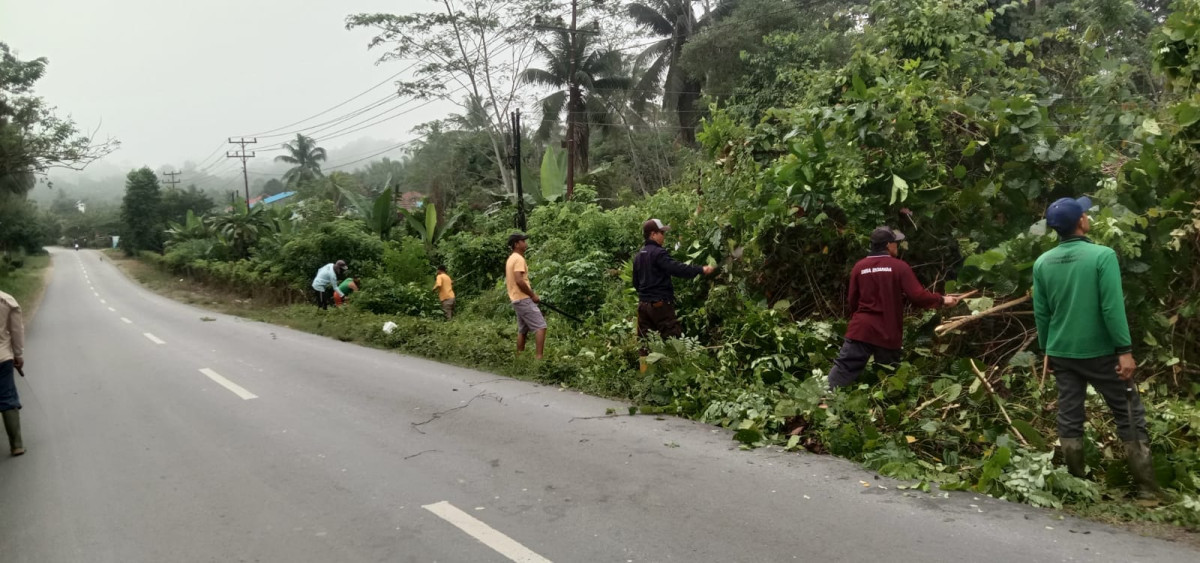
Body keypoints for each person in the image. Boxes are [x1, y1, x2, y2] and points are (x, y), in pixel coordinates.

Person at [1032, 196, 1164, 500]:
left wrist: (1046, 351)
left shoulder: (1042, 263)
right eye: (1085, 213)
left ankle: (1078, 485)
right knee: (1128, 410)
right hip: (1101, 352)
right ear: (1081, 221)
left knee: (1069, 413)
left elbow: (1042, 313)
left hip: (1062, 352)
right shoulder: (1102, 256)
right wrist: (1124, 350)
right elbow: (1111, 307)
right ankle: (1147, 488)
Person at [828, 227, 962, 389]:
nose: (897, 245)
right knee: (888, 379)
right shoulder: (899, 267)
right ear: (888, 245)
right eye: (895, 242)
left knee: (843, 368)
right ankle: (883, 402)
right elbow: (917, 296)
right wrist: (942, 299)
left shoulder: (859, 267)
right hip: (887, 331)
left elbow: (852, 300)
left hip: (862, 329)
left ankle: (824, 398)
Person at [632, 219, 715, 357]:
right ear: (653, 234)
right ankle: (677, 368)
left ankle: (646, 370)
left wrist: (646, 296)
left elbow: (636, 283)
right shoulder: (658, 253)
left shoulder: (638, 256)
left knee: (645, 345)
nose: (663, 236)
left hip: (643, 307)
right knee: (673, 341)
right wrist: (701, 269)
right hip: (660, 305)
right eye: (662, 233)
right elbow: (676, 268)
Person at [505, 233, 546, 359]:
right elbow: (519, 280)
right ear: (516, 244)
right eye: (523, 241)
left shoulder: (511, 258)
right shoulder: (519, 259)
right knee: (541, 326)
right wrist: (532, 295)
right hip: (523, 298)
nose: (525, 243)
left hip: (516, 298)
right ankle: (539, 359)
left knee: (523, 330)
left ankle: (519, 358)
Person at [1, 290, 26, 456]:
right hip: (2, 357)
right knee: (7, 397)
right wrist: (18, 354)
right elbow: (16, 330)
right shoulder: (6, 300)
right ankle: (16, 445)